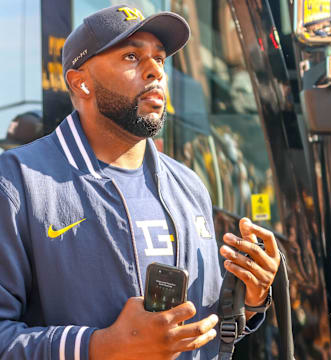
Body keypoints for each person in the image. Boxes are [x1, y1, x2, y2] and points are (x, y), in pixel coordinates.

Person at [0, 3, 280, 359]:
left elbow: (205, 331)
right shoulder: (17, 183)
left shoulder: (189, 186)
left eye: (160, 59)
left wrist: (252, 298)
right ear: (80, 82)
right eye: (132, 56)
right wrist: (100, 347)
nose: (155, 72)